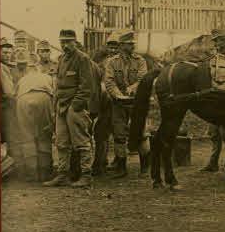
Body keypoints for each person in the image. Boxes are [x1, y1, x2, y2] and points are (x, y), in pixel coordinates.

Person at [43, 30, 95, 188]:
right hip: (61, 105)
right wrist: (56, 106)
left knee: (82, 142)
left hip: (74, 105)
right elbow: (58, 85)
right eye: (62, 42)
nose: (64, 45)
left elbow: (87, 87)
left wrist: (76, 105)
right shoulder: (62, 59)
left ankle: (86, 176)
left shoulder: (83, 59)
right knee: (61, 142)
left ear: (75, 41)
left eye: (68, 42)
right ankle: (62, 175)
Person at [103, 30, 148, 178]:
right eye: (129, 44)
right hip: (118, 104)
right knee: (119, 135)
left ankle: (145, 167)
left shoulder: (140, 61)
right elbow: (109, 81)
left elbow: (142, 79)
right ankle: (121, 167)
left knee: (141, 133)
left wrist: (132, 88)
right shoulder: (112, 62)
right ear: (122, 45)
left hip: (137, 103)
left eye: (133, 44)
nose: (132, 47)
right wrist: (118, 95)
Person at [199, 28, 225, 172]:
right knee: (214, 133)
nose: (216, 44)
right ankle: (213, 163)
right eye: (215, 41)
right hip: (214, 101)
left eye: (218, 41)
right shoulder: (215, 57)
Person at [15, 48, 54, 181]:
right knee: (44, 134)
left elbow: (16, 94)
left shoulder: (23, 79)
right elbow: (54, 94)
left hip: (23, 98)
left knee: (27, 135)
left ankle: (31, 173)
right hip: (43, 97)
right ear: (38, 66)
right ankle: (45, 172)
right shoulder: (47, 77)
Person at [92, 32, 120, 176]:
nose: (113, 49)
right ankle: (100, 162)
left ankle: (119, 162)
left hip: (119, 102)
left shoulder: (123, 63)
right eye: (110, 46)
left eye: (115, 46)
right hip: (104, 102)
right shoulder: (100, 63)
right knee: (101, 133)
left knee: (119, 133)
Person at [0, 38, 21, 165]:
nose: (7, 55)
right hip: (4, 107)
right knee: (10, 136)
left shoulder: (7, 66)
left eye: (9, 53)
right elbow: (9, 92)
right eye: (4, 52)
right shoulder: (1, 67)